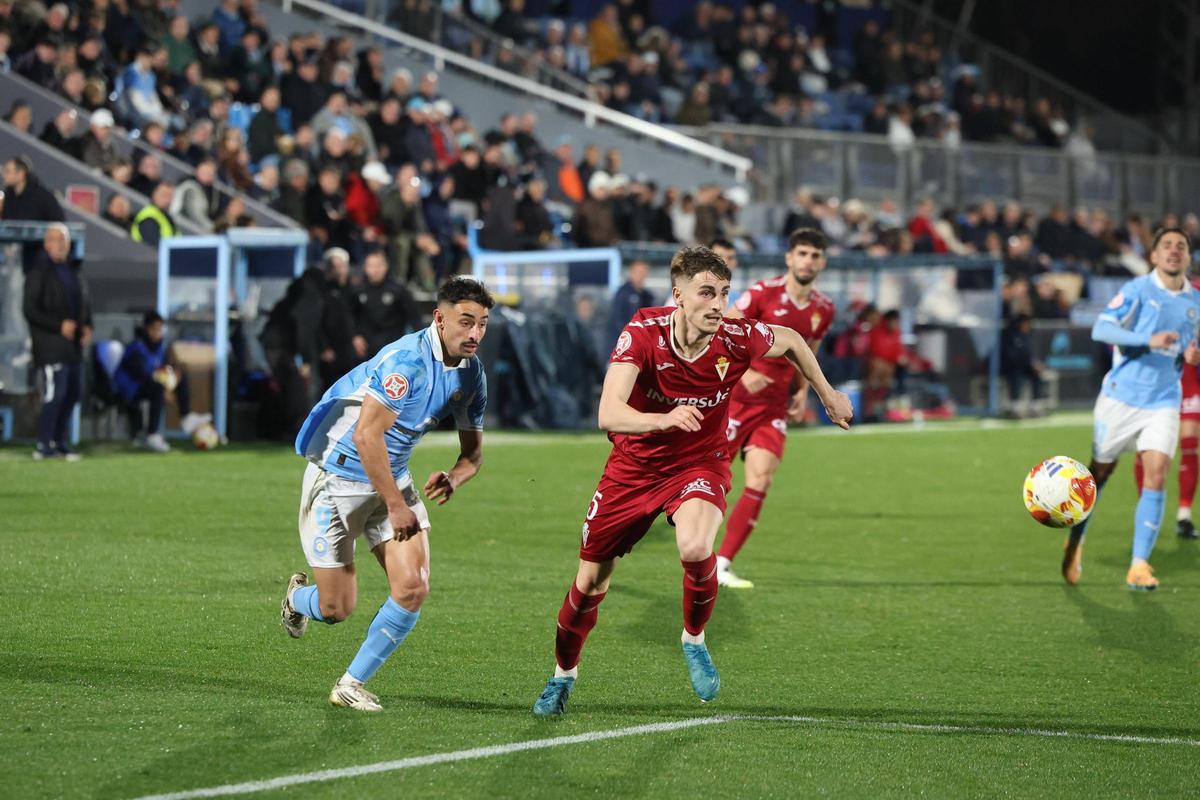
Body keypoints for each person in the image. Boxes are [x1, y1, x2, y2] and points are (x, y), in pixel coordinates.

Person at [530, 245, 853, 716]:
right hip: (633, 470)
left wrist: (827, 393)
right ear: (678, 295)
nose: (718, 304)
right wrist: (662, 420)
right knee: (589, 586)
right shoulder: (643, 332)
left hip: (699, 462)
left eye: (724, 293)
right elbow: (608, 413)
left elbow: (791, 340)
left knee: (697, 546)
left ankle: (694, 638)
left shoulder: (737, 337)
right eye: (706, 293)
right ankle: (563, 676)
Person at [280, 277, 492, 712]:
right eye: (466, 321)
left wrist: (454, 477)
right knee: (336, 608)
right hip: (338, 478)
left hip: (391, 478)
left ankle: (350, 684)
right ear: (440, 319)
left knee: (413, 587)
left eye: (483, 324)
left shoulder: (472, 375)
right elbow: (366, 436)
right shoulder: (406, 362)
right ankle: (297, 599)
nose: (475, 333)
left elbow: (473, 456)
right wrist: (396, 506)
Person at [1063, 228, 1200, 592]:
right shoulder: (1137, 290)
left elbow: (1191, 345)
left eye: (1181, 246)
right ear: (1153, 256)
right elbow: (1101, 329)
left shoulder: (1195, 302)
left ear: (1188, 257)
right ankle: (1076, 538)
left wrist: (1193, 355)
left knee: (1157, 473)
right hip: (1121, 398)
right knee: (1100, 473)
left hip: (1163, 401)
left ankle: (1139, 565)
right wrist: (1147, 340)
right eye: (1167, 246)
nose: (1174, 251)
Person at [717, 228, 836, 588]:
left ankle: (721, 565)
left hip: (772, 407)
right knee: (711, 479)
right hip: (735, 401)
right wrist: (745, 372)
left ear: (823, 262)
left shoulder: (823, 309)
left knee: (761, 478)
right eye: (802, 253)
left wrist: (803, 389)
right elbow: (723, 332)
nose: (808, 261)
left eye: (814, 255)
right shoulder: (762, 293)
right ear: (789, 258)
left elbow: (808, 352)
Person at [22, 223, 91, 461]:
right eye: (54, 239)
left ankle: (59, 441)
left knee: (73, 393)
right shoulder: (38, 272)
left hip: (72, 345)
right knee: (55, 393)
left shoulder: (74, 269)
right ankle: (44, 443)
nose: (59, 244)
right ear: (46, 244)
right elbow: (29, 309)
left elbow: (83, 301)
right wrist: (58, 325)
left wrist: (87, 325)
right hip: (50, 344)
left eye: (63, 240)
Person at [112, 311, 211, 452]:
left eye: (160, 329)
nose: (157, 333)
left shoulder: (160, 347)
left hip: (149, 386)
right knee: (157, 388)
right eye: (154, 329)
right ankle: (152, 435)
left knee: (180, 377)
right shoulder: (135, 348)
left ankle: (186, 418)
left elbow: (168, 367)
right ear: (146, 329)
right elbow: (142, 375)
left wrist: (174, 377)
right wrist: (165, 389)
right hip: (127, 391)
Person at [1, 157, 65, 270]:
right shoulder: (8, 197)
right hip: (14, 258)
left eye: (8, 171)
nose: (4, 175)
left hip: (40, 258)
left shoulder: (42, 196)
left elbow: (59, 223)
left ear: (21, 174)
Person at [354, 250, 420, 358]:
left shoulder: (398, 290)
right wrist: (355, 336)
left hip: (393, 347)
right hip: (365, 348)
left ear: (386, 267)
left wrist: (418, 342)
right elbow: (350, 317)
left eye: (378, 265)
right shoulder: (357, 290)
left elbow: (414, 317)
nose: (375, 270)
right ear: (365, 268)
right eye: (371, 266)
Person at [606, 259, 655, 348]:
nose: (641, 276)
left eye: (643, 273)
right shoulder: (622, 293)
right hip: (622, 343)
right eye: (639, 272)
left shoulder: (647, 297)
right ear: (631, 273)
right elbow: (618, 320)